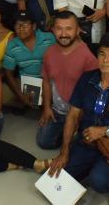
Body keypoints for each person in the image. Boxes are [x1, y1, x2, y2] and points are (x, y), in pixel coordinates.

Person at [47, 32, 109, 205]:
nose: (105, 60)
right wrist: (64, 151)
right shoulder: (87, 79)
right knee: (57, 177)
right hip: (86, 143)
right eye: (102, 54)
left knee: (99, 181)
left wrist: (105, 131)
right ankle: (88, 167)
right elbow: (72, 115)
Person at [37, 11, 99, 149]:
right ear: (53, 30)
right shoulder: (49, 52)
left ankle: (70, 134)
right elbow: (46, 81)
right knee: (43, 142)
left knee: (81, 146)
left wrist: (78, 119)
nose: (63, 34)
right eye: (59, 28)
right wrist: (46, 108)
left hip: (79, 114)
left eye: (69, 28)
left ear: (78, 30)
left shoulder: (88, 57)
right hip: (57, 111)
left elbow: (93, 93)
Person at [2, 12, 56, 107]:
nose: (21, 28)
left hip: (48, 81)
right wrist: (20, 95)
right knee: (3, 95)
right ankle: (29, 103)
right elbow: (8, 73)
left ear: (34, 26)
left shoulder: (49, 38)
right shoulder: (12, 45)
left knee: (48, 100)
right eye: (17, 24)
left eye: (25, 24)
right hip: (27, 82)